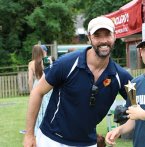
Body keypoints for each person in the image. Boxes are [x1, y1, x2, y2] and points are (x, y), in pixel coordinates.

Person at [23, 16, 133, 147]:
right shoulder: (66, 63)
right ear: (89, 37)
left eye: (108, 35)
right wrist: (29, 134)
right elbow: (37, 91)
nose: (103, 40)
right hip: (51, 140)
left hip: (87, 143)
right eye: (97, 35)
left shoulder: (123, 77)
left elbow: (138, 105)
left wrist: (120, 129)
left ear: (115, 36)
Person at [27, 44, 53, 136]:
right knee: (48, 105)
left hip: (36, 84)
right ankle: (47, 128)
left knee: (36, 107)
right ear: (42, 51)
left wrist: (31, 93)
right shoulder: (46, 61)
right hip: (46, 84)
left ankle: (37, 129)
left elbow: (30, 79)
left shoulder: (30, 63)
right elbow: (51, 73)